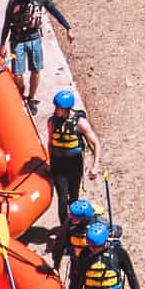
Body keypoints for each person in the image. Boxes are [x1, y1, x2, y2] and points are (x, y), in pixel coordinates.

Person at [0, 0, 74, 112]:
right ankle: (21, 92)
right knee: (17, 74)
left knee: (35, 70)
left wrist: (68, 28)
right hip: (17, 39)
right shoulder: (14, 0)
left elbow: (55, 12)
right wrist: (2, 44)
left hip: (34, 38)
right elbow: (6, 23)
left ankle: (31, 98)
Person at [66, 217, 143, 289]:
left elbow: (131, 275)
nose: (92, 249)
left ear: (105, 241)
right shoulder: (85, 254)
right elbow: (77, 280)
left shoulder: (118, 252)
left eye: (95, 246)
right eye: (89, 245)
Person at [47, 90, 99, 225]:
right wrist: (49, 161)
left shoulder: (81, 123)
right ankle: (64, 228)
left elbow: (96, 143)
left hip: (74, 164)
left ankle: (75, 225)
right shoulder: (52, 122)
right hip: (58, 164)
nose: (56, 110)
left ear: (66, 109)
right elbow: (50, 142)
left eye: (58, 108)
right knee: (62, 198)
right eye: (56, 107)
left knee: (74, 197)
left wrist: (95, 165)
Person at [49, 197, 96, 276]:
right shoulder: (68, 226)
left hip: (93, 264)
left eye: (74, 218)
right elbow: (59, 244)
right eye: (71, 215)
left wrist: (113, 232)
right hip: (76, 264)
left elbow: (118, 231)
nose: (71, 218)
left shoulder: (96, 225)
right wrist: (56, 265)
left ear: (83, 219)